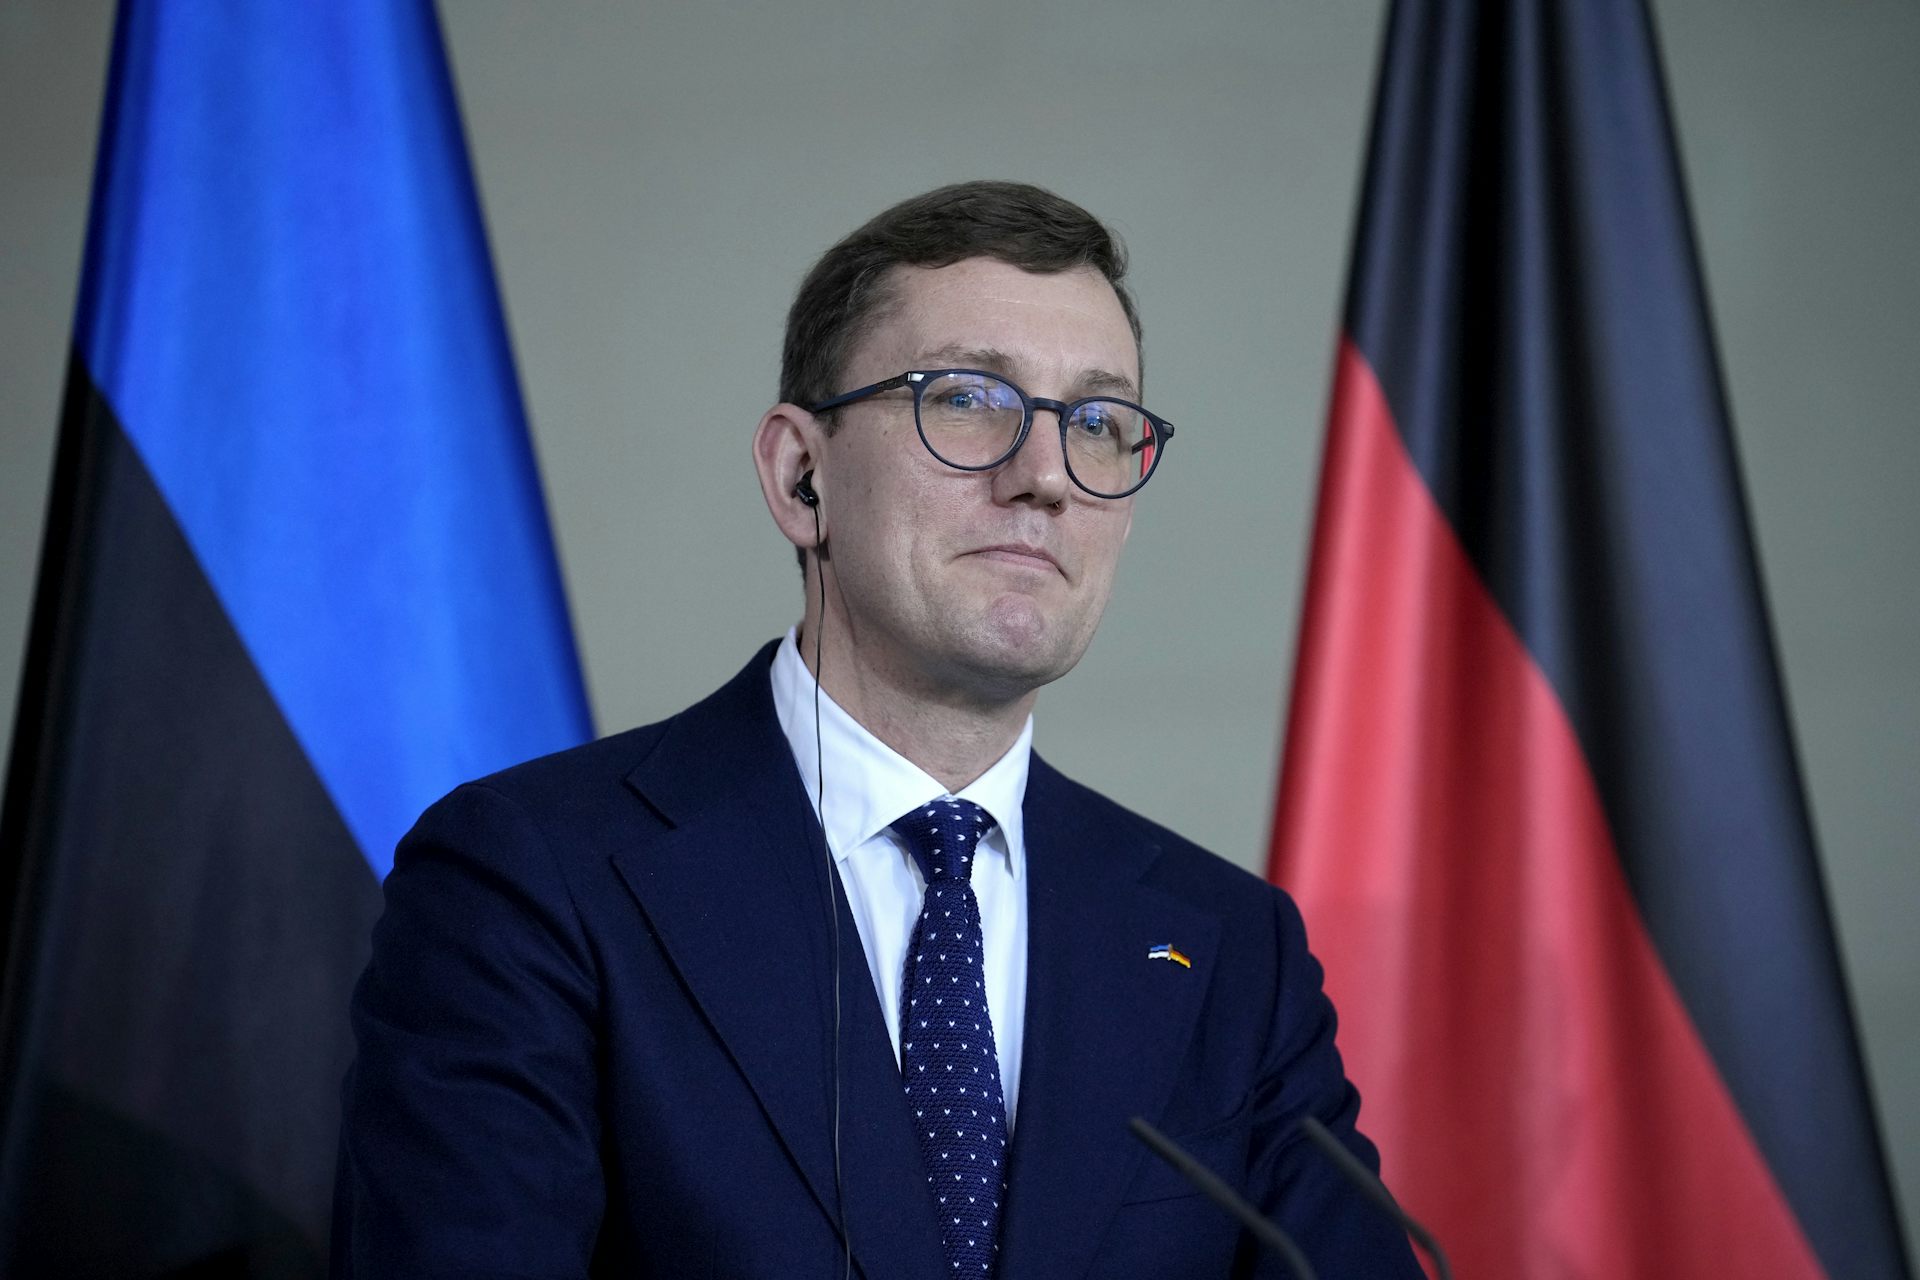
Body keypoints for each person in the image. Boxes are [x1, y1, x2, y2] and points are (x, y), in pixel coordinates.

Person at [332, 181, 1422, 1278]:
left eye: (1097, 422)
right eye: (968, 399)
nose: (1046, 476)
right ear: (801, 476)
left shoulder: (1230, 947)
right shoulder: (530, 880)